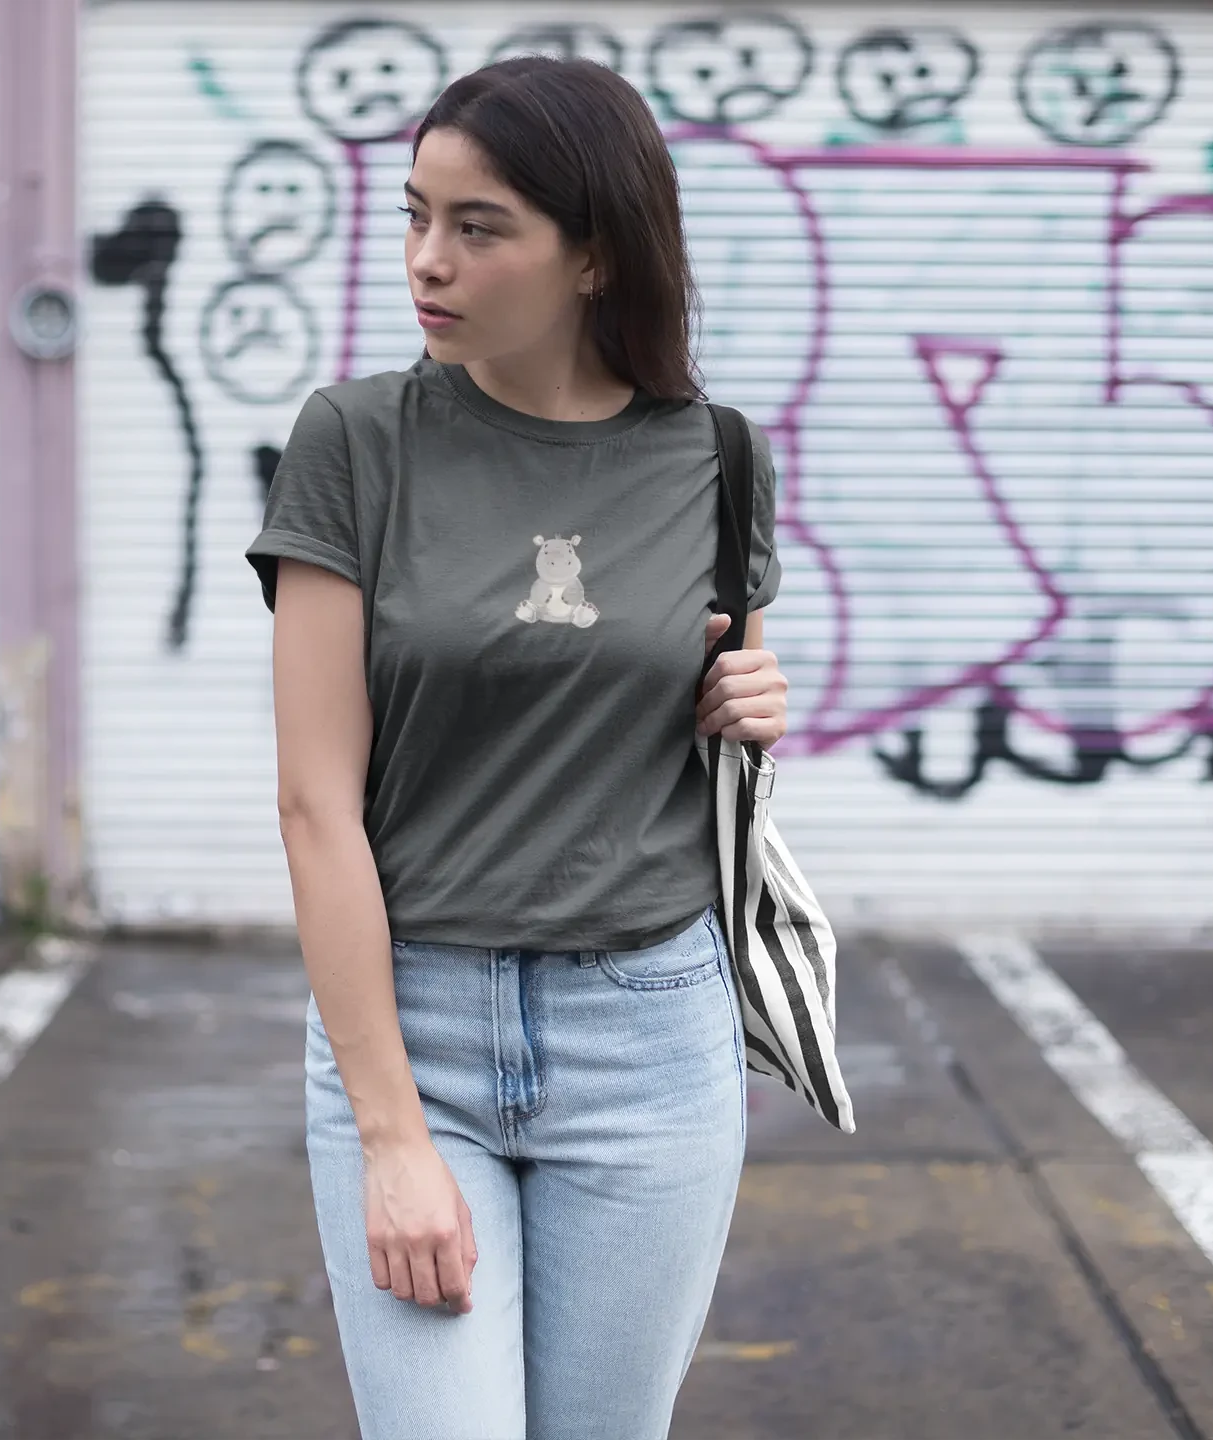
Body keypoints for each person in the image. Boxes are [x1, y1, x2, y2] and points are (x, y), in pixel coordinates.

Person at [245, 55, 788, 1440]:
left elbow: (677, 707)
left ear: (596, 253)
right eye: (417, 216)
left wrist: (749, 704)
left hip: (650, 1034)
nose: (428, 260)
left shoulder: (717, 458)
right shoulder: (356, 443)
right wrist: (390, 1137)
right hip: (414, 1028)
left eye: (478, 228)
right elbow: (317, 805)